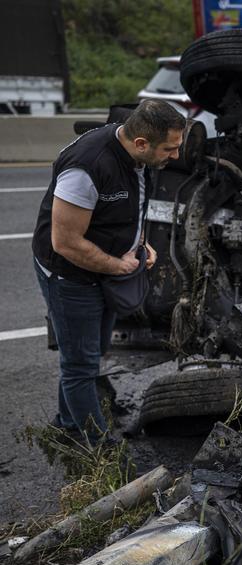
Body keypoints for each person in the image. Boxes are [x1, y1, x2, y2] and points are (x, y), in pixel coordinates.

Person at [32, 99, 184, 445]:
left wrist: (141, 241)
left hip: (102, 265)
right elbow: (66, 242)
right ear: (142, 143)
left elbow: (134, 204)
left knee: (92, 350)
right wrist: (118, 265)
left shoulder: (138, 158)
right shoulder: (87, 167)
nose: (175, 156)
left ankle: (67, 422)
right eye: (169, 149)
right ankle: (95, 444)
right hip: (70, 274)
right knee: (80, 364)